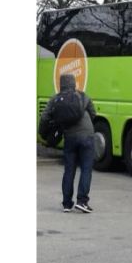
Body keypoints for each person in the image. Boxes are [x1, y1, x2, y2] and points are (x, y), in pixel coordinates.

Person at [40, 73, 97, 213]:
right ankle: (82, 201)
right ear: (74, 84)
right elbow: (93, 113)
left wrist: (43, 133)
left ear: (61, 85)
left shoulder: (55, 99)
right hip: (87, 136)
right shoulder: (83, 96)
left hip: (70, 138)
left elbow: (44, 117)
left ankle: (66, 204)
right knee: (86, 169)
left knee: (69, 170)